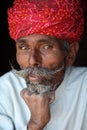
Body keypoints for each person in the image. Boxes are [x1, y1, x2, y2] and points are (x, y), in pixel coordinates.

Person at [0, 0, 86, 130]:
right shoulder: (4, 89)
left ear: (70, 53)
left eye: (46, 47)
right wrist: (35, 124)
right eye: (24, 47)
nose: (33, 61)